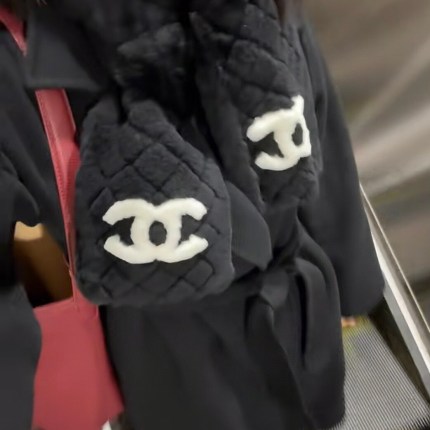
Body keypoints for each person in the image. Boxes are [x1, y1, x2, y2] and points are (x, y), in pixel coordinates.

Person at [0, 0, 385, 429]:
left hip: (297, 312)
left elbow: (318, 119)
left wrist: (351, 279)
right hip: (171, 358)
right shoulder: (32, 48)